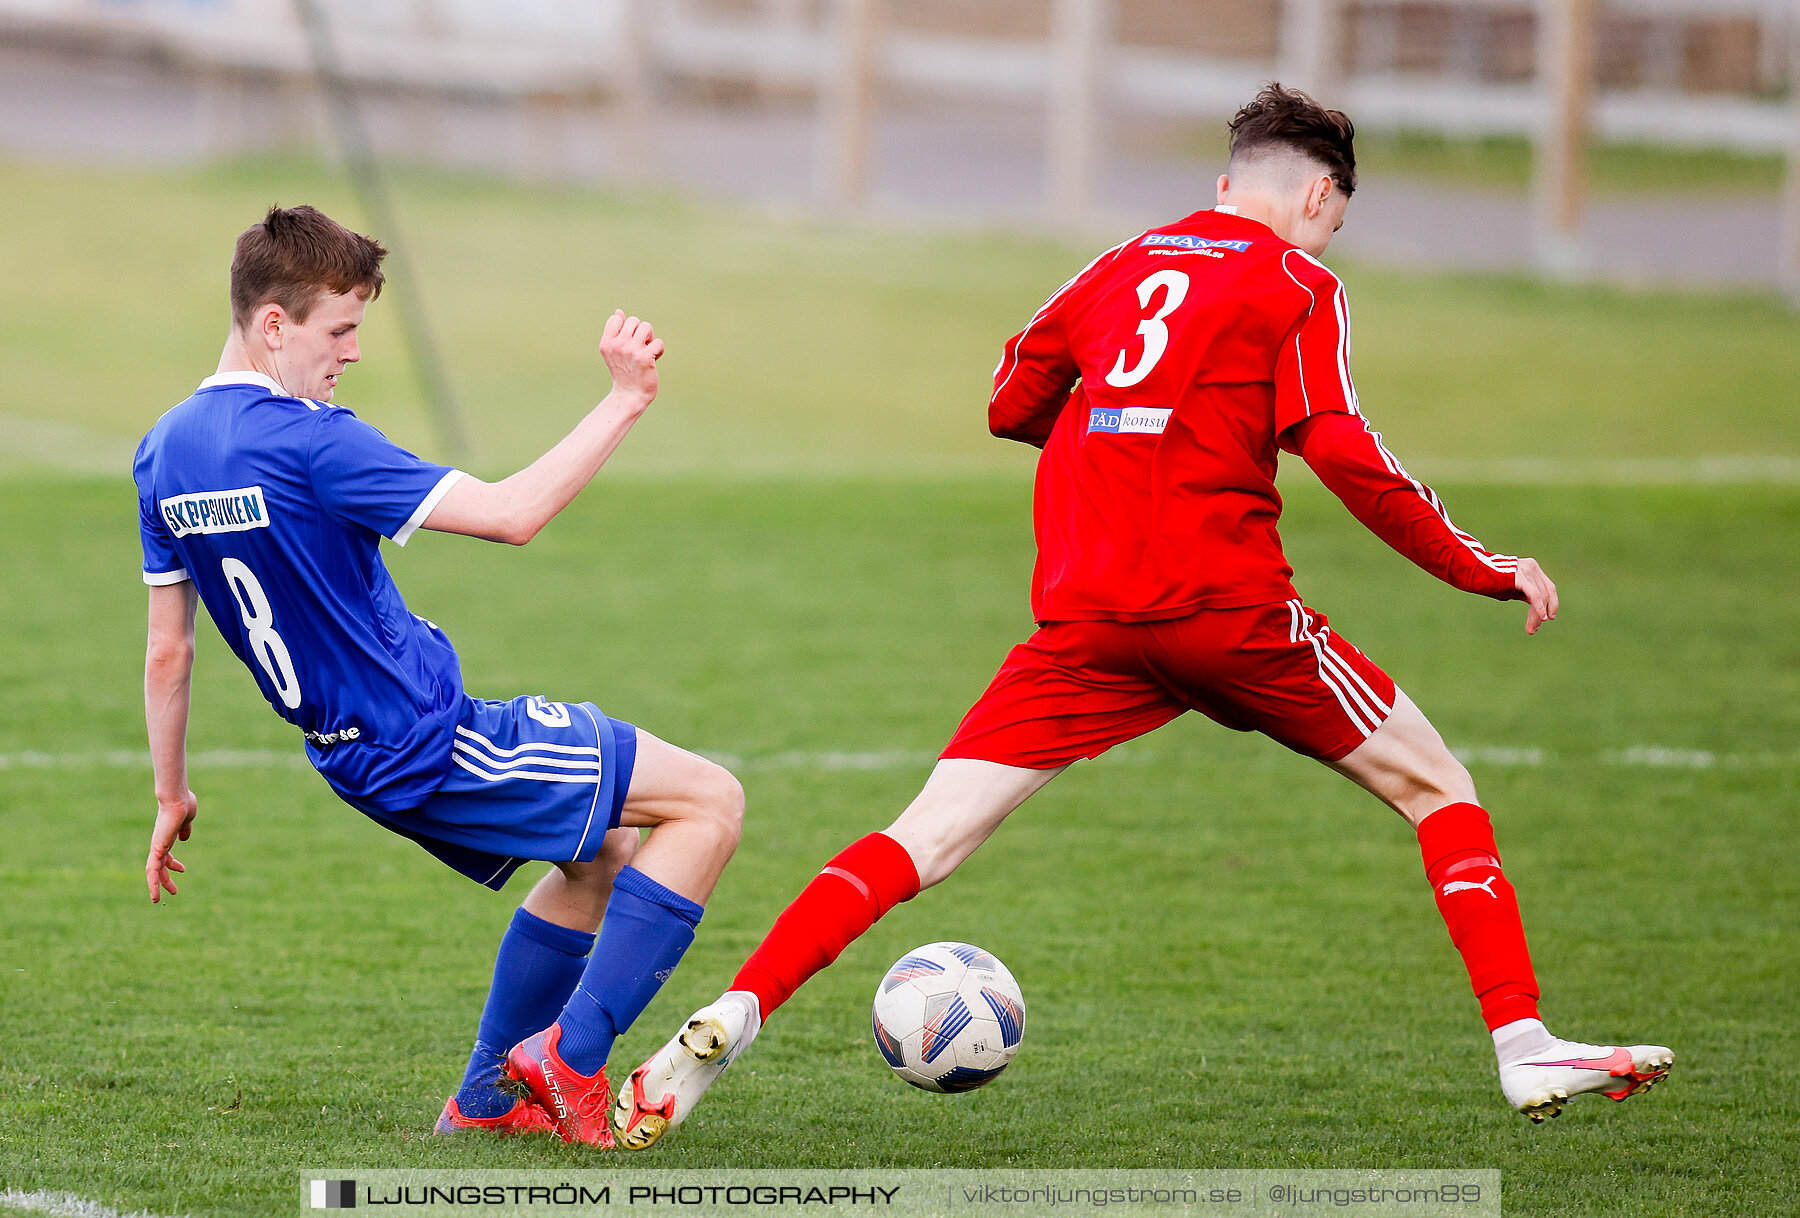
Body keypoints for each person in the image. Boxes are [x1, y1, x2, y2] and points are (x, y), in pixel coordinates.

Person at [613, 86, 1671, 1148]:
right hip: (1226, 612)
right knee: (1438, 782)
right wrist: (1481, 567)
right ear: (1317, 195)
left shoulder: (1120, 263)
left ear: (1223, 186)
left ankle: (729, 1017)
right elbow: (1344, 448)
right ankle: (1523, 1042)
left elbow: (1011, 399)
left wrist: (1119, 438)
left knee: (923, 836)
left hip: (1087, 620)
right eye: (1335, 215)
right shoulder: (1302, 282)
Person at [136, 205, 742, 1149]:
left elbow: (169, 650)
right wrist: (625, 398)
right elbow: (512, 514)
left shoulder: (161, 450)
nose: (353, 353)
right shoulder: (313, 442)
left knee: (601, 855)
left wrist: (170, 791)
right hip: (426, 741)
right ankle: (570, 1060)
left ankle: (485, 1106)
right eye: (339, 330)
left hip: (353, 754)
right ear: (272, 326)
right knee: (711, 804)